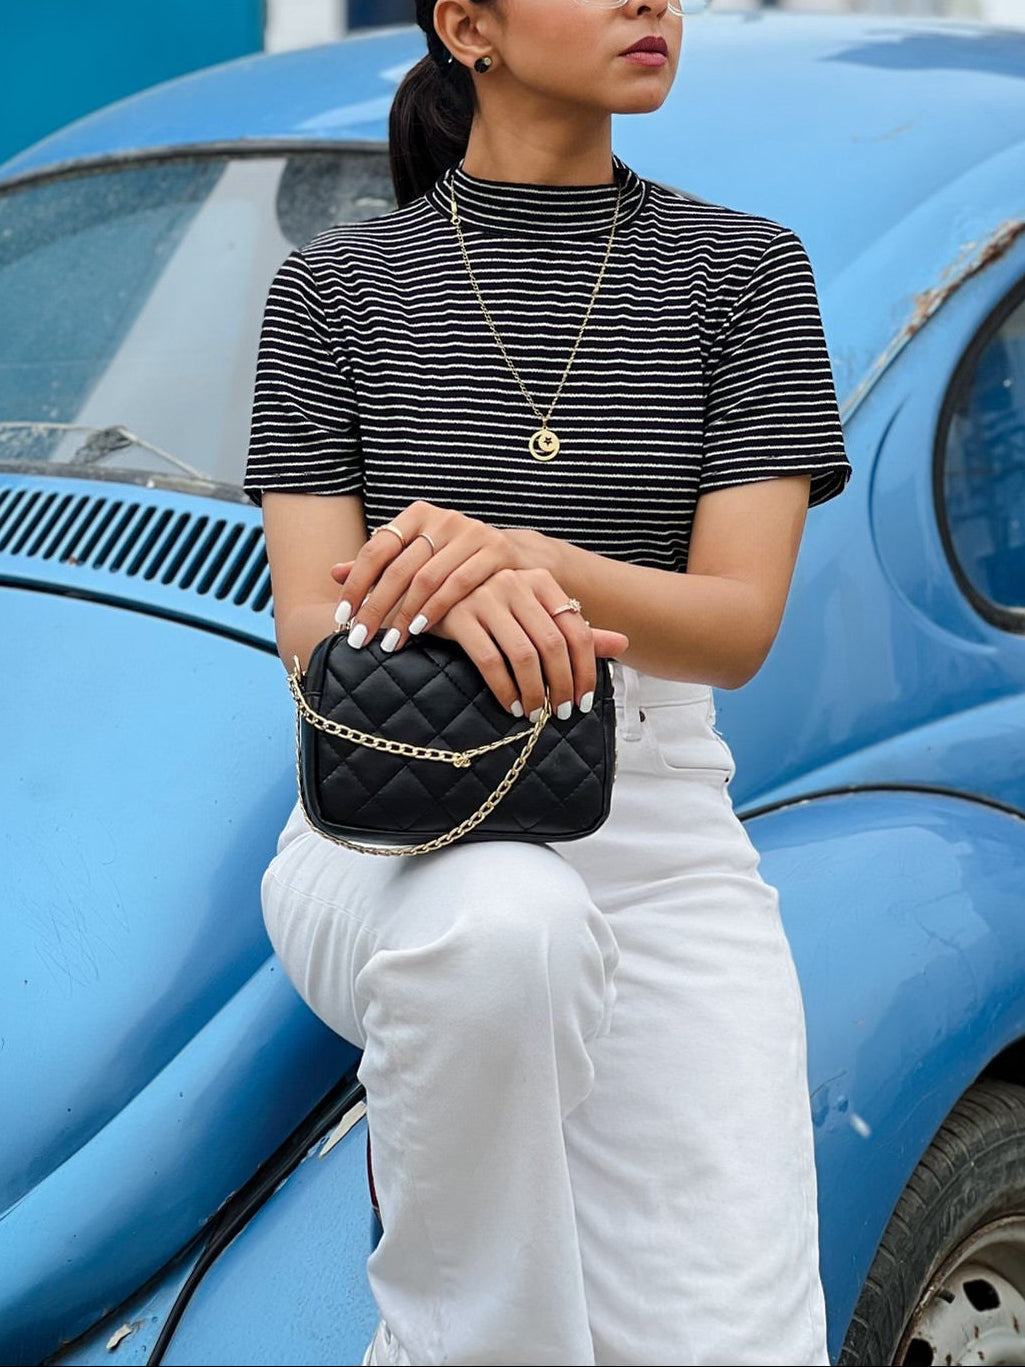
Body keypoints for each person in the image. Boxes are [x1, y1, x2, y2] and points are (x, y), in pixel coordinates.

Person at [242, 0, 853, 1360]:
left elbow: (735, 626)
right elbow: (305, 622)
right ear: (470, 25)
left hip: (663, 828)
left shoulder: (741, 272)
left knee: (730, 1337)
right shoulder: (332, 289)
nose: (652, 4)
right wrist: (461, 590)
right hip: (389, 821)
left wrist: (519, 555)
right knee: (501, 923)